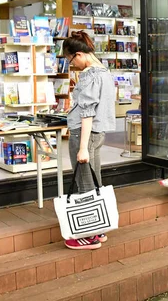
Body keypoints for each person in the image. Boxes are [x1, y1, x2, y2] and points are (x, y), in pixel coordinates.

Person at [61, 30, 116, 250]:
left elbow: (87, 113)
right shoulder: (104, 71)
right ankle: (99, 228)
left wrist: (82, 147)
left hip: (85, 134)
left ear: (79, 54)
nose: (72, 65)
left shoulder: (89, 75)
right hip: (98, 133)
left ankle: (88, 235)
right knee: (94, 180)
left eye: (70, 60)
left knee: (84, 182)